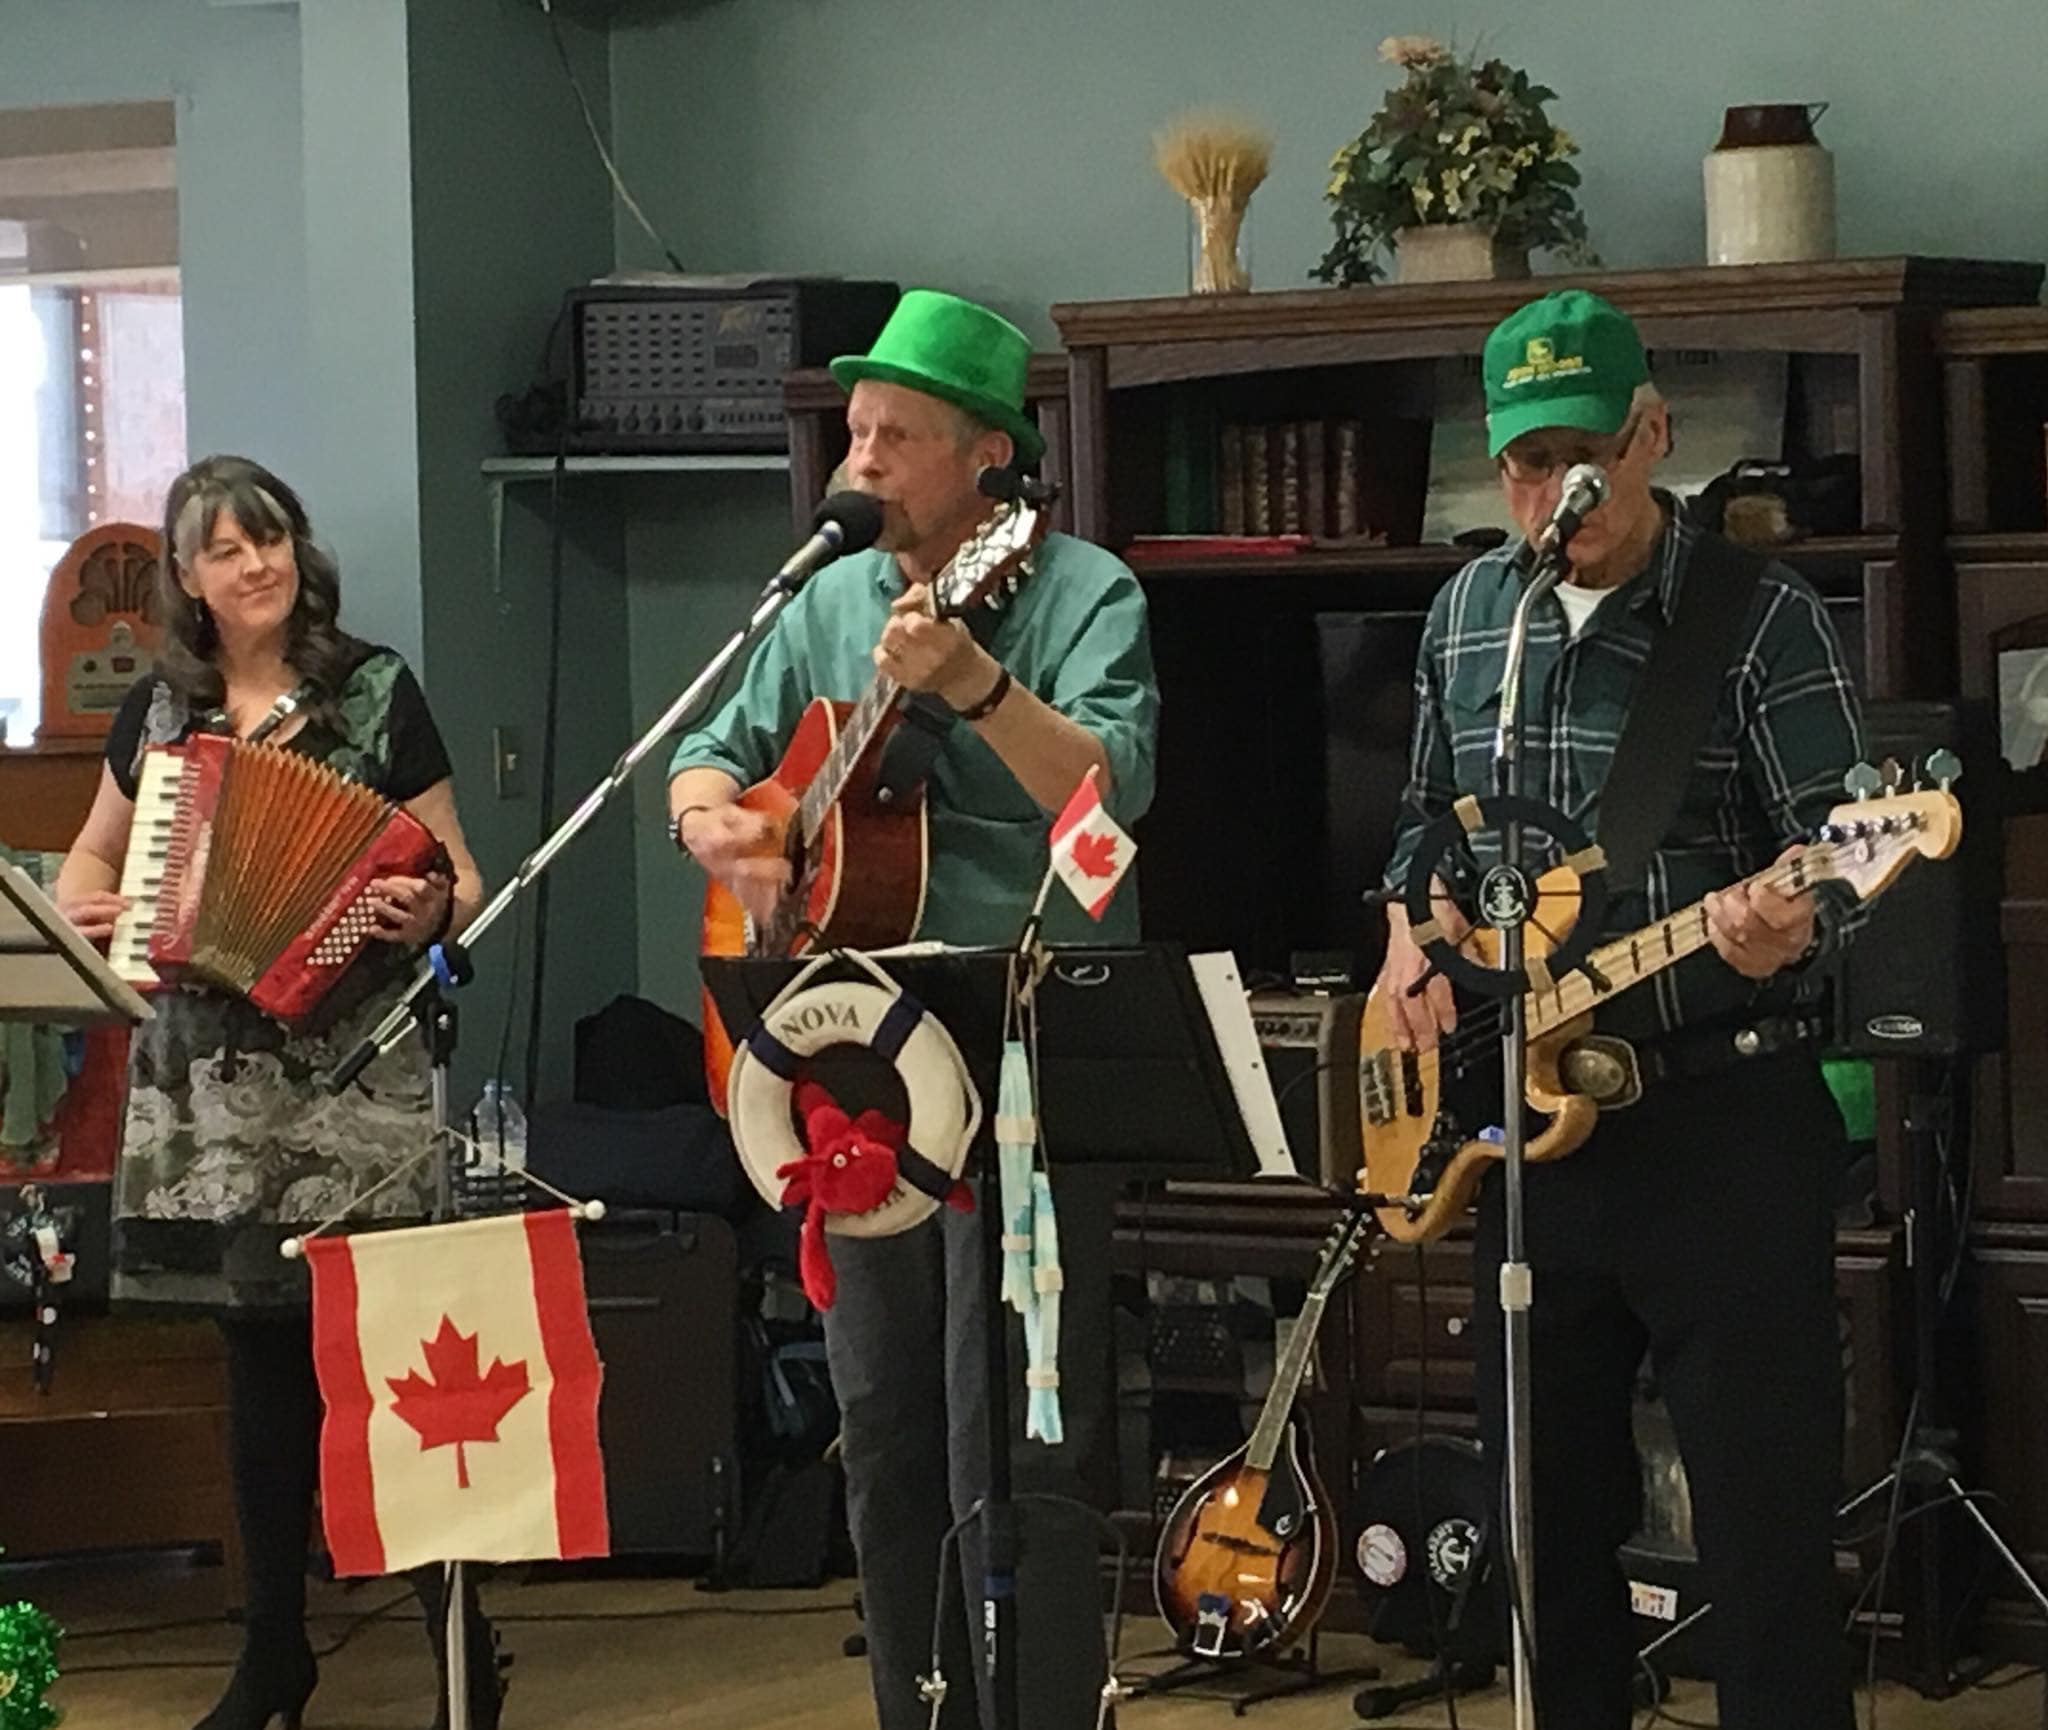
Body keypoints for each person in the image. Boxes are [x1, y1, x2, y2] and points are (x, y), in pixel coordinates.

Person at [668, 289, 1158, 1730]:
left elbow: (1111, 789)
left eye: (897, 434)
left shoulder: (1084, 591)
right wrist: (719, 826)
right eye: (856, 430)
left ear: (988, 456)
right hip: (855, 1050)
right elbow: (711, 749)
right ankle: (918, 1706)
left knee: (1017, 1422)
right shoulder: (825, 596)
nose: (863, 458)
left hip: (1023, 1031)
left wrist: (979, 685)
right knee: (882, 1415)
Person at [1373, 290, 1863, 1730]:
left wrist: (1797, 915)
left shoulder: (1756, 614)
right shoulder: (1472, 616)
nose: (1553, 494)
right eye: (1526, 464)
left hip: (1719, 1112)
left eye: (1581, 457)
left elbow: (1845, 849)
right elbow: (1421, 829)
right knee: (1545, 1537)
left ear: (1650, 434)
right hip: (1528, 1138)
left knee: (1762, 1541)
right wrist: (1408, 937)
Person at [55, 456, 494, 1730]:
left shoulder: (373, 693)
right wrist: (100, 907)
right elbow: (87, 863)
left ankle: (459, 1646)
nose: (258, 564)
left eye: (273, 538)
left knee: (389, 1362)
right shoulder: (160, 715)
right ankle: (273, 1650)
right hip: (207, 1083)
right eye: (228, 548)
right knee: (256, 1368)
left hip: (351, 1069)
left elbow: (461, 875)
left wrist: (428, 908)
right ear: (186, 578)